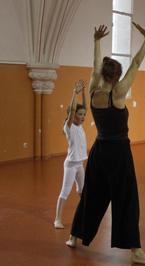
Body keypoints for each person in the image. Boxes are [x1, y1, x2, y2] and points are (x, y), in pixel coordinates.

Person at [66, 23, 145, 265]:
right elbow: (136, 64)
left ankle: (74, 236)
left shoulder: (93, 91)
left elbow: (94, 68)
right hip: (118, 153)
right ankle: (136, 252)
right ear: (116, 76)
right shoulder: (117, 93)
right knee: (127, 198)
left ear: (101, 74)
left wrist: (96, 41)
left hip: (99, 151)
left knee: (92, 195)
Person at [54, 80, 87, 229]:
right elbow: (73, 110)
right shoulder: (69, 127)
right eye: (80, 115)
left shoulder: (80, 126)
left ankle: (84, 214)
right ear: (72, 116)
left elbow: (84, 107)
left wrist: (84, 92)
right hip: (70, 165)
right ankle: (57, 219)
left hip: (80, 164)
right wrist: (75, 92)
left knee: (83, 191)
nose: (82, 117)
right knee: (65, 192)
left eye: (83, 115)